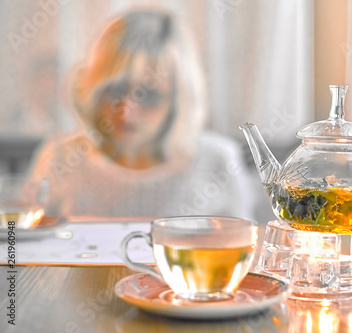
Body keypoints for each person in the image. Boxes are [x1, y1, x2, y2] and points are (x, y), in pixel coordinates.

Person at [28, 9, 253, 218]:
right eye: (115, 91)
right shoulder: (60, 158)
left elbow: (244, 249)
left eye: (149, 96)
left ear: (179, 98)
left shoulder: (217, 161)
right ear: (94, 88)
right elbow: (19, 248)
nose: (126, 111)